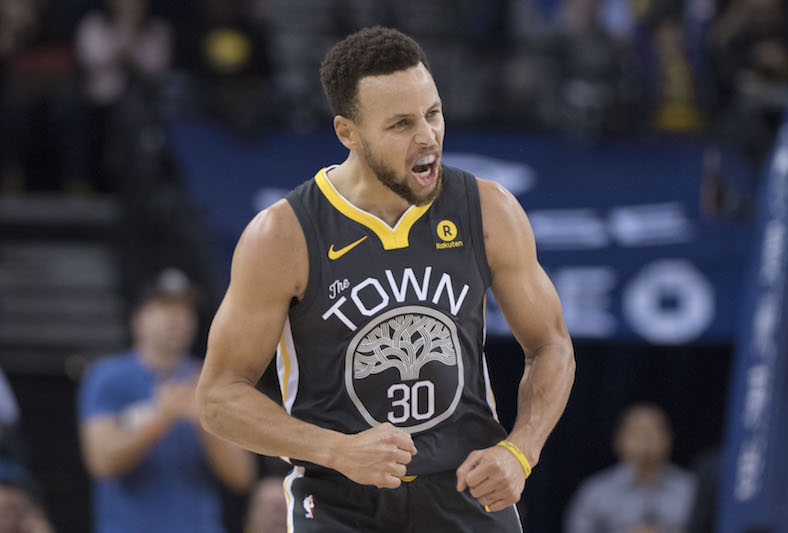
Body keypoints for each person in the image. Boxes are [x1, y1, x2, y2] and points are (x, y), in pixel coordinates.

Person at [196, 26, 575, 532]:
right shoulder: (283, 236)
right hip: (342, 498)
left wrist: (520, 451)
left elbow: (551, 345)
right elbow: (219, 397)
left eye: (433, 113)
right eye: (401, 124)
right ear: (347, 132)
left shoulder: (488, 210)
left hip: (465, 487)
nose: (428, 137)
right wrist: (336, 449)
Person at [77, 268, 256, 533]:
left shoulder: (211, 380)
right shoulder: (107, 377)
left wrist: (204, 421)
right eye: (165, 307)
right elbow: (102, 461)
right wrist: (161, 416)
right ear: (138, 318)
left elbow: (242, 477)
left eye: (185, 309)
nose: (178, 318)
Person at [565, 403, 696, 533]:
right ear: (619, 440)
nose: (645, 439)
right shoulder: (595, 493)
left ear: (668, 439)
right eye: (637, 432)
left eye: (653, 432)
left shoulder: (691, 489)